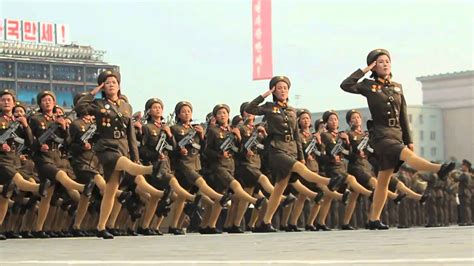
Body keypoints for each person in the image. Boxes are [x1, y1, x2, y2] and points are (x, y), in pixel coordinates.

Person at [340, 48, 455, 229]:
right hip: (381, 136)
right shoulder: (368, 86)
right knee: (406, 157)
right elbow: (346, 85)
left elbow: (403, 115)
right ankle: (438, 168)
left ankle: (373, 219)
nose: (385, 64)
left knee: (383, 181)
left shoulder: (397, 87)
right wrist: (363, 70)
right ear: (373, 66)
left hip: (396, 133)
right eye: (380, 62)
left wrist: (409, 140)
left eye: (387, 61)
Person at [245, 76, 344, 232]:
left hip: (291, 148)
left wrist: (302, 156)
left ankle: (265, 222)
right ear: (273, 90)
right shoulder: (269, 107)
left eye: (285, 87)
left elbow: (297, 135)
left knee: (278, 189)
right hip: (276, 149)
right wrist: (265, 94)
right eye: (278, 88)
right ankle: (329, 181)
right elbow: (250, 108)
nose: (282, 90)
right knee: (298, 168)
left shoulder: (292, 111)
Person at [75, 70, 161, 239]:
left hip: (122, 145)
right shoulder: (98, 103)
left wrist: (135, 155)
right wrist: (93, 92)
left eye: (114, 81)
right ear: (102, 86)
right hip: (106, 146)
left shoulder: (126, 106)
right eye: (107, 82)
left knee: (111, 190)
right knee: (120, 162)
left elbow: (130, 133)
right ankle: (150, 169)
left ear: (119, 85)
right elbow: (80, 107)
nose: (111, 84)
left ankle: (101, 227)